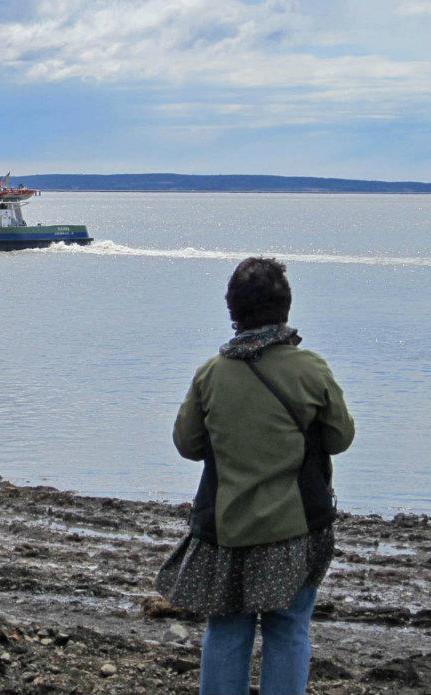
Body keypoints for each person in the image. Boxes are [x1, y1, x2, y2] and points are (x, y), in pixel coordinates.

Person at [155, 257, 355, 695]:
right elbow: (341, 438)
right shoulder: (311, 369)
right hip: (296, 528)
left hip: (227, 530)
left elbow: (187, 445)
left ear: (233, 311)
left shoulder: (211, 374)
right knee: (288, 630)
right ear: (285, 307)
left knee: (226, 631)